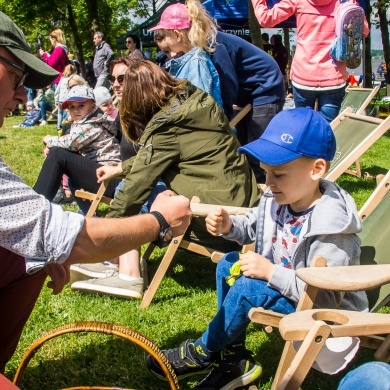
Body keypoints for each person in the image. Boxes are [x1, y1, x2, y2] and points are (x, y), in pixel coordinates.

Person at [0, 10, 192, 373]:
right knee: (36, 246)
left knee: (31, 251)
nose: (23, 94)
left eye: (123, 79)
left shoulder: (151, 117)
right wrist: (158, 223)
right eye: (16, 77)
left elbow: (149, 166)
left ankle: (126, 270)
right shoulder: (124, 116)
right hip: (135, 190)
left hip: (146, 188)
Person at [146, 107, 368, 389]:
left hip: (325, 314)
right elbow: (254, 224)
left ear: (316, 169)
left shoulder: (332, 227)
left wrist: (271, 272)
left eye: (279, 174)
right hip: (289, 289)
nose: (268, 183)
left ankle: (204, 350)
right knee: (228, 263)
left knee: (250, 287)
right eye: (265, 173)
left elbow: (326, 296)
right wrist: (229, 226)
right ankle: (233, 359)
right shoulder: (279, 197)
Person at [69, 57, 259, 298]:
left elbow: (137, 185)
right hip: (243, 210)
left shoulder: (167, 125)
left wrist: (102, 235)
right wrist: (122, 167)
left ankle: (125, 272)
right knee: (142, 186)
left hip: (214, 221)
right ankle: (116, 261)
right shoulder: (194, 102)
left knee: (133, 192)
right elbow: (168, 154)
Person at [252, 0, 369, 122]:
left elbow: (266, 19)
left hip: (303, 76)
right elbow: (364, 30)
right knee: (327, 130)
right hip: (333, 76)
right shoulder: (345, 1)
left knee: (303, 127)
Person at [211, 31, 285, 183]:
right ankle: (250, 190)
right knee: (244, 148)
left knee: (258, 153)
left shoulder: (215, 44)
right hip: (247, 92)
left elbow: (227, 83)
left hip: (266, 87)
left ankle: (269, 195)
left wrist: (224, 117)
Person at [33, 85, 121, 211]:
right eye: (71, 107)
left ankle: (36, 207)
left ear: (92, 105)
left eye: (81, 105)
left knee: (59, 154)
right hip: (102, 174)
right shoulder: (89, 121)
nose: (76, 110)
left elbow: (70, 143)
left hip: (110, 179)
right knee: (71, 177)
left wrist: (48, 140)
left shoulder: (92, 124)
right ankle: (88, 215)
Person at [149, 0, 223, 108]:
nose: (166, 42)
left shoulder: (196, 62)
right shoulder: (190, 61)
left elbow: (198, 108)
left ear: (177, 35)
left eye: (165, 36)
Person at [54, 63, 78, 131]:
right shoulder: (72, 80)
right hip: (67, 100)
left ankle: (59, 126)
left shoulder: (62, 79)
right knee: (67, 114)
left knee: (60, 113)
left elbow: (57, 90)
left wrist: (56, 100)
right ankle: (64, 126)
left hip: (60, 99)